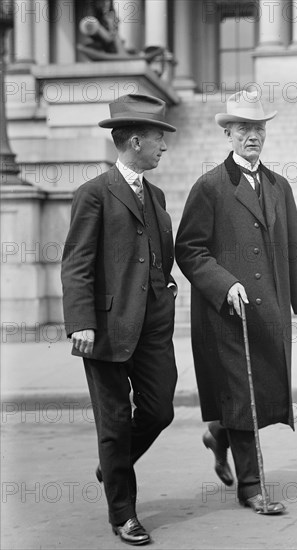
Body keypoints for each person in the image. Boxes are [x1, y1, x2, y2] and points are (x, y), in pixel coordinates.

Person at [175, 90, 297, 515]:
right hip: (226, 313)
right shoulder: (210, 186)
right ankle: (251, 488)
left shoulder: (279, 185)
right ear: (228, 134)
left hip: (268, 309)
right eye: (244, 128)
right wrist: (223, 283)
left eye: (259, 128)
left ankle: (218, 435)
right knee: (243, 394)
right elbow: (189, 249)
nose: (252, 135)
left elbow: (292, 247)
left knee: (262, 394)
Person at [61, 94, 178, 545]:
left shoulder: (158, 194)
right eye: (157, 139)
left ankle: (113, 464)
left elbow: (158, 256)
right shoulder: (93, 193)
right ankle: (123, 512)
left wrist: (165, 290)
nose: (164, 147)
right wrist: (81, 322)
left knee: (160, 409)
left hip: (152, 327)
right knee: (112, 422)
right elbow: (76, 264)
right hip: (105, 329)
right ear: (133, 141)